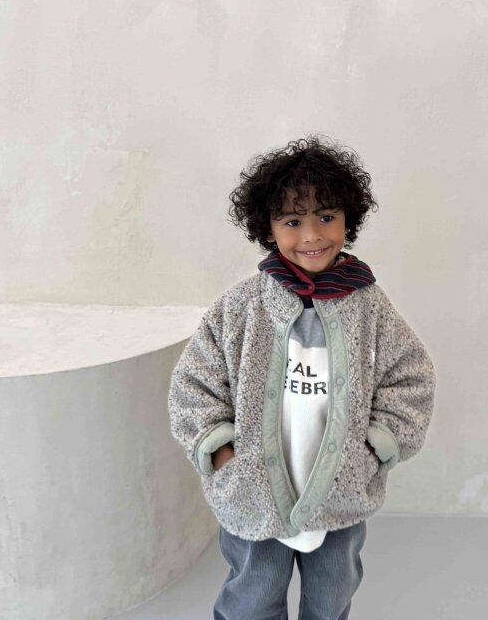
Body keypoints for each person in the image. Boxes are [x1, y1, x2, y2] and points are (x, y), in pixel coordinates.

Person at [167, 135, 437, 620]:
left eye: (326, 217)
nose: (312, 235)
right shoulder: (242, 306)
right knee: (251, 598)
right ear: (267, 228)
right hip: (254, 490)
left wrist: (374, 447)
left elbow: (410, 376)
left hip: (339, 488)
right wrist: (222, 453)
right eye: (293, 221)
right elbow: (195, 384)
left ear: (349, 218)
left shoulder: (369, 306)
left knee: (332, 596)